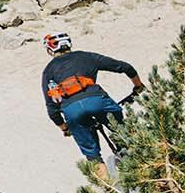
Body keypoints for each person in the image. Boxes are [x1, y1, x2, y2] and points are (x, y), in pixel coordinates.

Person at [41, 32, 144, 163]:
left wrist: (64, 128)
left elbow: (51, 108)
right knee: (125, 135)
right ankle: (142, 166)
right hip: (97, 100)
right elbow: (125, 67)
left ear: (50, 50)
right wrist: (138, 86)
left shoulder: (48, 71)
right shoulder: (86, 56)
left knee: (93, 156)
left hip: (72, 110)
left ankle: (105, 183)